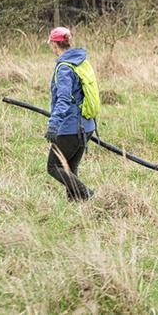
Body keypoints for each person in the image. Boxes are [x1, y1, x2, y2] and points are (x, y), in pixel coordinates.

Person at [45, 27, 95, 201]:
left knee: (53, 166)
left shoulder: (64, 67)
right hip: (87, 126)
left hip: (71, 128)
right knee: (70, 168)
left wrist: (54, 124)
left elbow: (64, 99)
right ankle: (75, 203)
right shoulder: (80, 61)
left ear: (54, 44)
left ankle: (87, 194)